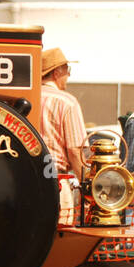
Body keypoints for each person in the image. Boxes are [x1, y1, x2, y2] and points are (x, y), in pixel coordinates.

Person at [38, 47, 86, 224]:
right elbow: (75, 151)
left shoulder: (25, 97)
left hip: (25, 178)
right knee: (60, 237)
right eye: (67, 71)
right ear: (57, 72)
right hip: (56, 180)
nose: (68, 76)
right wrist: (87, 188)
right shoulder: (67, 102)